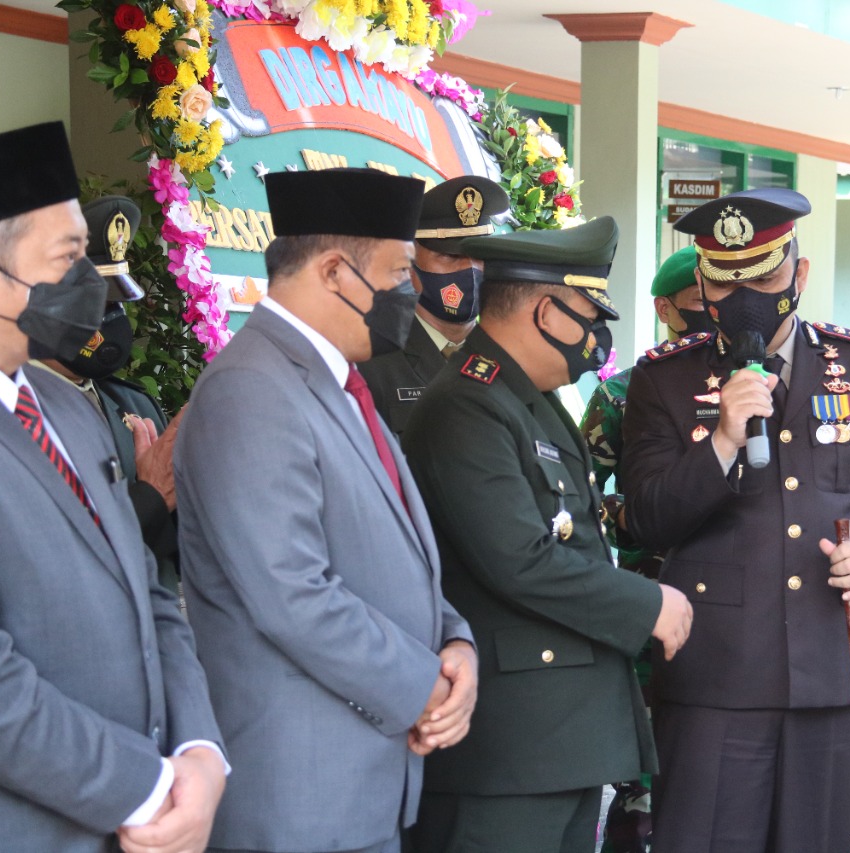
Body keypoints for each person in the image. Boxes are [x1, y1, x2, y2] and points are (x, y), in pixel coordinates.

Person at [621, 188, 850, 853]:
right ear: (701, 284)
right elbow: (646, 518)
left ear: (801, 271)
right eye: (726, 281)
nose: (746, 295)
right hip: (714, 675)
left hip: (831, 666)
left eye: (763, 275)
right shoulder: (664, 381)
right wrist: (723, 440)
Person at [175, 168, 476, 853]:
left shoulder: (335, 380)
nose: (412, 292)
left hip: (354, 794)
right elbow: (293, 593)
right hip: (298, 804)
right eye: (400, 273)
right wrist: (424, 681)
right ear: (337, 271)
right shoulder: (250, 388)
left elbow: (394, 551)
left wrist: (456, 644)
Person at [0, 121, 225, 852]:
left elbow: (149, 596)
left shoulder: (69, 410)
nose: (90, 286)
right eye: (67, 258)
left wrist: (200, 748)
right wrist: (145, 786)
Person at [401, 217, 694, 853]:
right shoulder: (468, 404)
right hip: (509, 751)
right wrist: (648, 605)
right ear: (544, 310)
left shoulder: (525, 398)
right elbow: (519, 560)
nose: (597, 336)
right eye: (589, 314)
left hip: (554, 741)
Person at [579, 244, 710, 853]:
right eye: (699, 304)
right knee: (646, 787)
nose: (716, 312)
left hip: (734, 607)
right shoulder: (627, 392)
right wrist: (626, 520)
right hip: (653, 604)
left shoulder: (761, 385)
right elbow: (578, 493)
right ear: (665, 309)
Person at [31, 194, 181, 591]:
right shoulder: (13, 410)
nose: (108, 319)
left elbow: (175, 551)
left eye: (114, 302)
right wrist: (149, 497)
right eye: (91, 302)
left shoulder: (133, 404)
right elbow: (52, 555)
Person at [359, 175, 509, 435]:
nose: (471, 269)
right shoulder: (371, 361)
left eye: (481, 256)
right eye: (451, 256)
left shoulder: (512, 359)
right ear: (408, 264)